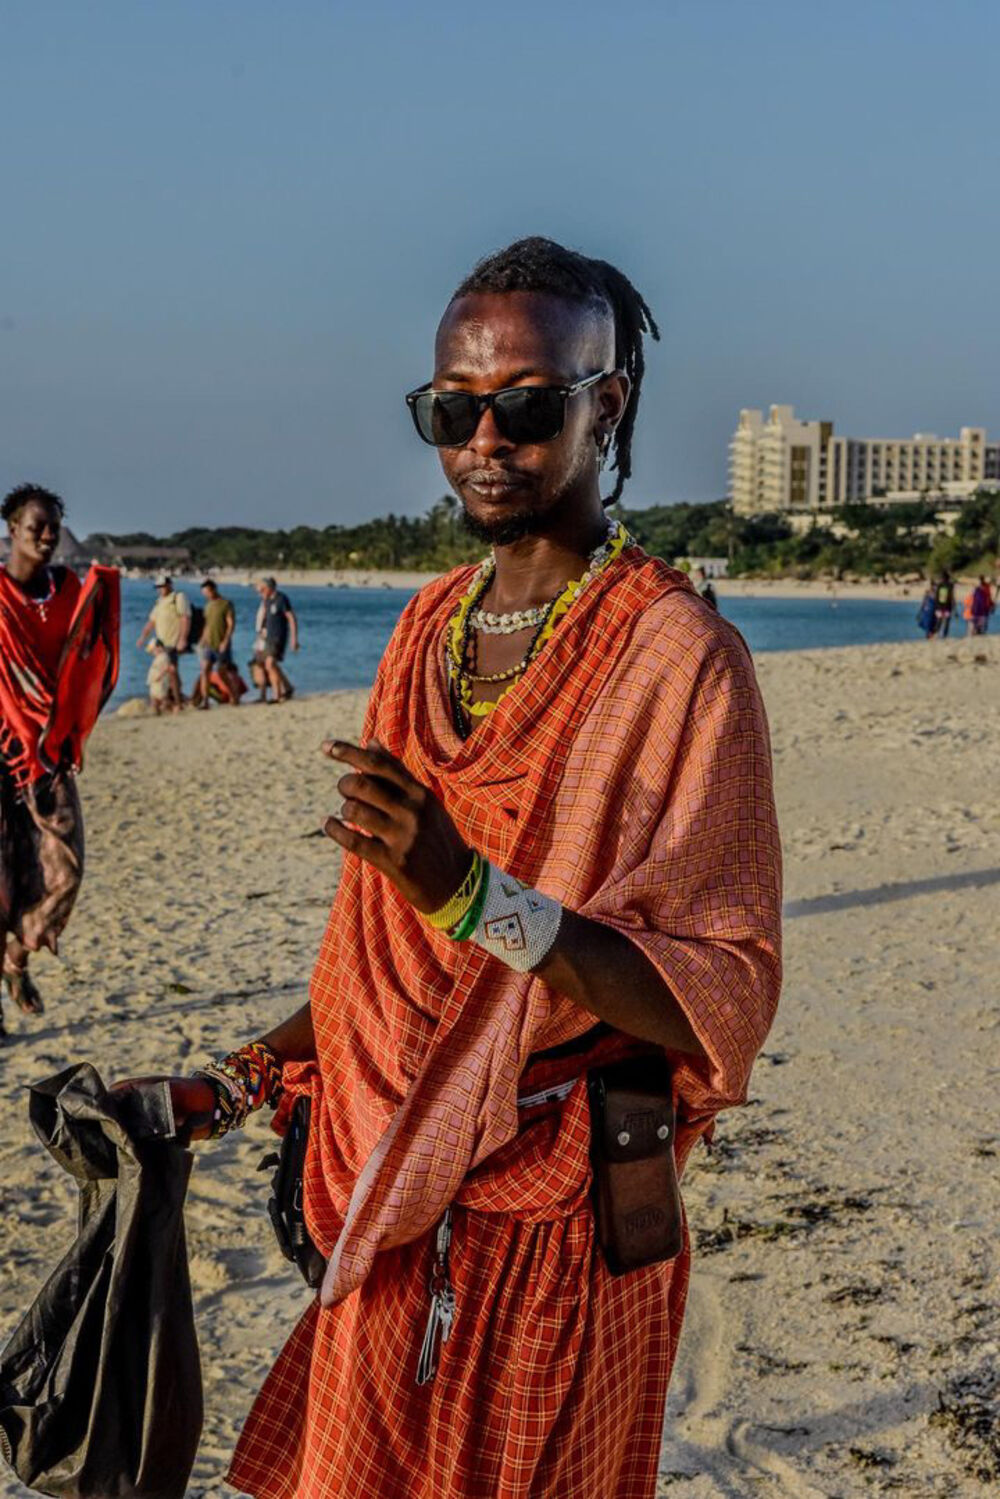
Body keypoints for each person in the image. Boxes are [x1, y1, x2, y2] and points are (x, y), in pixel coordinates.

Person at [119, 237, 781, 1497]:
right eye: (452, 408)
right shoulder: (423, 629)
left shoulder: (681, 659)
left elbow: (721, 987)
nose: (486, 439)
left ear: (610, 402)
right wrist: (238, 1077)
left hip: (555, 1223)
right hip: (390, 1205)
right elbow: (382, 966)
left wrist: (474, 893)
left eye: (527, 406)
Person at [0, 483, 118, 1040]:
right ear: (11, 530)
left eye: (52, 526)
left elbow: (93, 660)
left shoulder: (73, 589)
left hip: (50, 759)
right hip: (2, 754)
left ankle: (16, 959)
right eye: (35, 527)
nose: (46, 536)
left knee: (65, 872)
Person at [136, 574, 191, 709]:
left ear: (169, 585)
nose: (160, 589)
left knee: (172, 671)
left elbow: (185, 618)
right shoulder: (160, 601)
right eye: (158, 587)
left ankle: (177, 702)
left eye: (162, 586)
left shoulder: (178, 598)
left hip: (173, 641)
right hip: (161, 644)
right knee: (165, 673)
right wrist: (143, 637)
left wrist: (183, 639)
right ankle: (170, 701)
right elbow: (152, 621)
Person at [249, 576, 298, 703]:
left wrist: (294, 639)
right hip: (266, 637)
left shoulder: (281, 599)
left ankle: (277, 694)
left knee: (270, 664)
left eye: (262, 590)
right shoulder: (267, 601)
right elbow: (264, 619)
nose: (260, 592)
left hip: (277, 637)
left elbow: (291, 618)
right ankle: (285, 688)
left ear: (268, 588)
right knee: (265, 664)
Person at [196, 579, 240, 708]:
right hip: (208, 644)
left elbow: (231, 624)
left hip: (221, 644)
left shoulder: (226, 604)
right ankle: (205, 701)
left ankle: (233, 695)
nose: (206, 595)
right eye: (204, 593)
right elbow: (207, 625)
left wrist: (226, 641)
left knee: (222, 672)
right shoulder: (208, 606)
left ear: (213, 589)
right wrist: (202, 640)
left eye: (207, 592)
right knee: (205, 670)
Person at [146, 642, 171, 714]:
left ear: (160, 648)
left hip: (160, 680)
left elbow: (166, 667)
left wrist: (160, 675)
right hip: (154, 681)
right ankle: (156, 711)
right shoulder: (158, 657)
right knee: (153, 697)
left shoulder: (164, 656)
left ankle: (169, 707)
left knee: (162, 696)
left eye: (153, 651)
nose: (152, 653)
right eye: (151, 652)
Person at [933, 569, 955, 638]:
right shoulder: (950, 585)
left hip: (939, 606)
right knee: (946, 622)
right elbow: (952, 596)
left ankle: (936, 634)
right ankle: (944, 635)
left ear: (942, 577)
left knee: (939, 621)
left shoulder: (939, 585)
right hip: (947, 606)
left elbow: (936, 596)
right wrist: (954, 606)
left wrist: (935, 606)